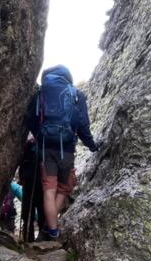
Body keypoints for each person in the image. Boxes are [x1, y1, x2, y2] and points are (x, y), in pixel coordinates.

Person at [26, 65, 98, 241]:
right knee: (64, 189)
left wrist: (39, 137)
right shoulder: (75, 94)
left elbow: (31, 119)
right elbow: (82, 124)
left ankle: (52, 231)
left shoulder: (41, 93)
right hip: (66, 150)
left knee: (48, 190)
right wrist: (92, 146)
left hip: (46, 149)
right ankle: (49, 228)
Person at [19, 136, 45, 242]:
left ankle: (29, 237)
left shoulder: (29, 145)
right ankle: (39, 236)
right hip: (37, 181)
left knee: (29, 209)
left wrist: (22, 177)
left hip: (30, 181)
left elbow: (22, 163)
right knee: (39, 209)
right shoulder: (38, 145)